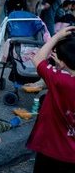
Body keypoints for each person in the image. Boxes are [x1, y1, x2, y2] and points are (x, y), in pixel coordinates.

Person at [26, 26, 75, 172]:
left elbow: (38, 59)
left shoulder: (59, 80)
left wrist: (57, 36)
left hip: (51, 149)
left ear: (62, 62)